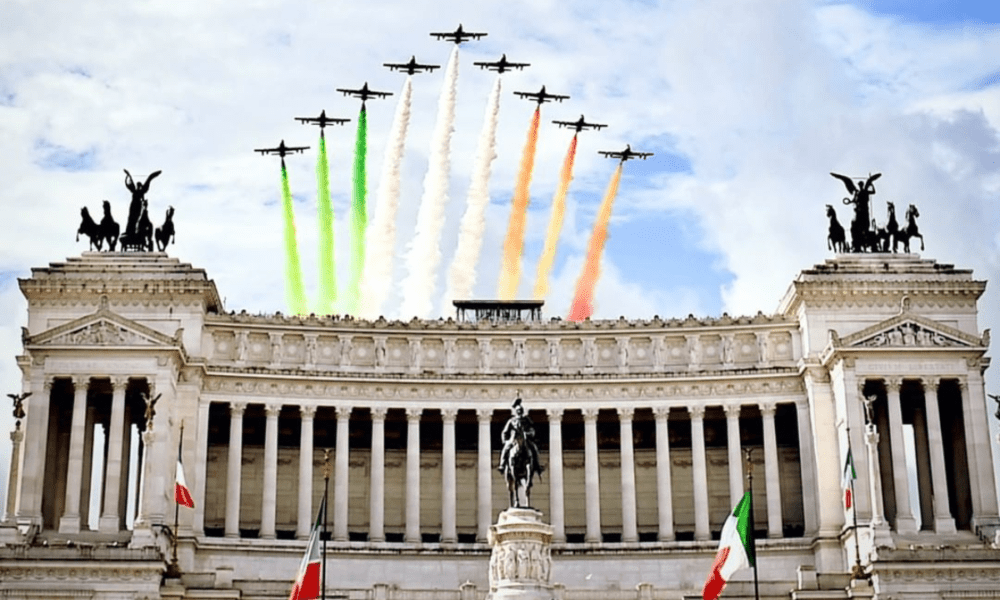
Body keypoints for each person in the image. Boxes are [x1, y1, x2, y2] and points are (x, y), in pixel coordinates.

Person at [498, 397, 543, 482]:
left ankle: (538, 465)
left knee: (534, 448)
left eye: (521, 410)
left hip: (525, 439)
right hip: (513, 440)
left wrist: (528, 434)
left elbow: (532, 430)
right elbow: (504, 432)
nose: (519, 412)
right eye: (518, 410)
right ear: (516, 411)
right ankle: (502, 465)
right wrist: (505, 441)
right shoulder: (511, 421)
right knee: (505, 449)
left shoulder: (526, 420)